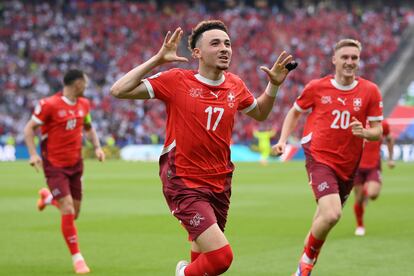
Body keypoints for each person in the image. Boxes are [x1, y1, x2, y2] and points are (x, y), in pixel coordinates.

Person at [110, 20, 294, 276]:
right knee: (221, 258)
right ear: (197, 53)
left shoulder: (235, 85)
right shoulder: (176, 80)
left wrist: (273, 85)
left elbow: (261, 112)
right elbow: (119, 90)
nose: (224, 49)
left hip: (220, 181)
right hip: (183, 180)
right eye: (215, 43)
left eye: (227, 43)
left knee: (203, 250)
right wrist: (157, 59)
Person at [272, 39, 383, 276]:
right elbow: (295, 112)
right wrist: (282, 140)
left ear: (359, 60)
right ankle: (307, 263)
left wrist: (365, 132)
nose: (350, 62)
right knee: (332, 213)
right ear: (334, 59)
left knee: (323, 219)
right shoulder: (316, 87)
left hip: (348, 165)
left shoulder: (370, 91)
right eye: (345, 57)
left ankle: (301, 271)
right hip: (319, 157)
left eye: (354, 57)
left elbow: (378, 131)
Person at [24, 69, 105, 274]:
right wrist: (33, 154)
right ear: (77, 83)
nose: (86, 86)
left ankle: (48, 198)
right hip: (54, 166)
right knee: (67, 208)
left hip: (76, 164)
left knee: (74, 213)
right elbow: (29, 128)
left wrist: (96, 147)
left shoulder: (84, 104)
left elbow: (88, 128)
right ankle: (78, 259)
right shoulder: (49, 105)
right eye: (84, 82)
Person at [353, 119, 395, 236]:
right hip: (356, 166)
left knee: (373, 194)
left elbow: (390, 138)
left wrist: (391, 158)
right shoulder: (356, 120)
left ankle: (366, 190)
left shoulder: (382, 123)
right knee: (359, 200)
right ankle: (360, 225)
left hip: (373, 166)